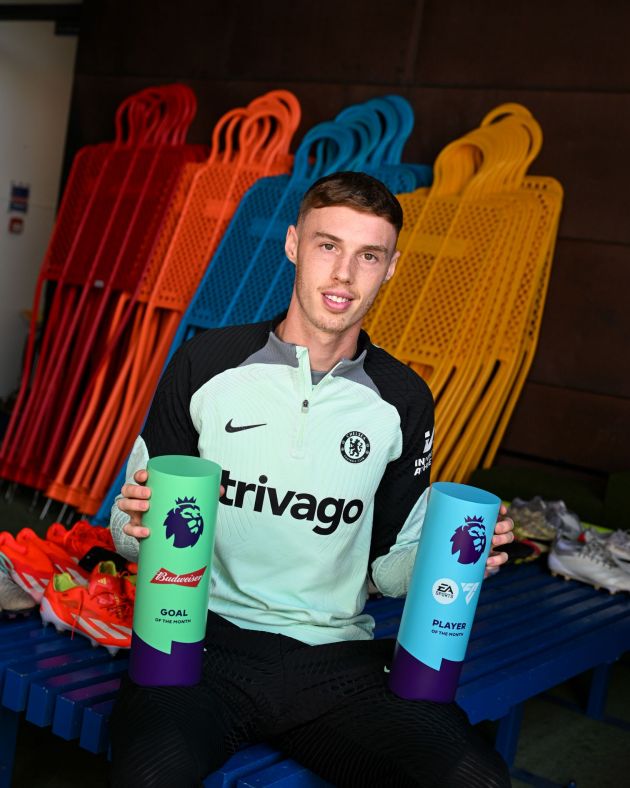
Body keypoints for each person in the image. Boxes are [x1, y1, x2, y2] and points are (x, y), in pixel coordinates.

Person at [109, 171, 514, 787]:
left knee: (474, 778)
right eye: (328, 246)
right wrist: (135, 524)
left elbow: (385, 570)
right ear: (294, 244)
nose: (344, 275)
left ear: (392, 267)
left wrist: (448, 561)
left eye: (368, 255)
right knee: (149, 777)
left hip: (337, 664)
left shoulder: (403, 398)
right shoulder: (206, 364)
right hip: (200, 646)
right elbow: (128, 531)